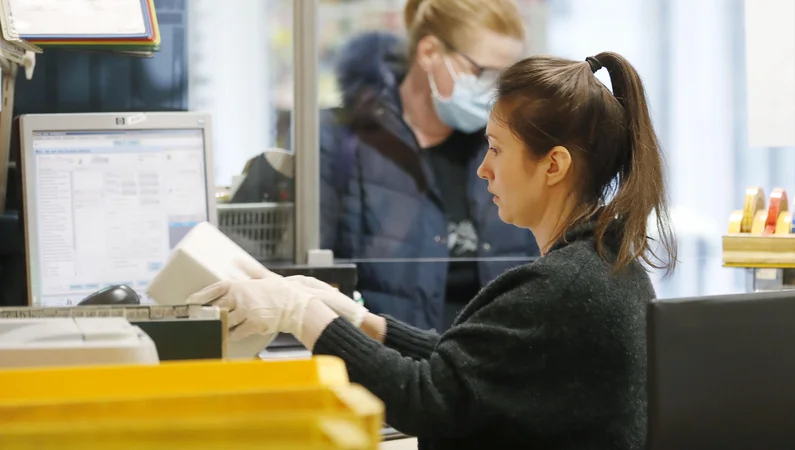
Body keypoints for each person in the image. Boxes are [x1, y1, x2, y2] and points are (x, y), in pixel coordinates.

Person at [188, 52, 678, 449]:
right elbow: (468, 368)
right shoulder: (602, 268)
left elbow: (427, 397)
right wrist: (357, 320)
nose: (484, 169)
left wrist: (300, 313)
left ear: (554, 166)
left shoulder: (564, 286)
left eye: (497, 148)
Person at [319, 0, 538, 331]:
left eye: (506, 78)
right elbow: (318, 283)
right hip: (386, 369)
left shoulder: (507, 146)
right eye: (484, 74)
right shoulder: (345, 142)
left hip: (495, 370)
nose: (495, 91)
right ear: (429, 53)